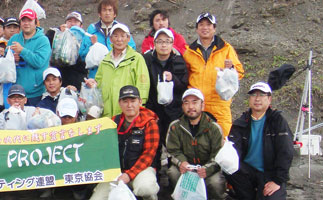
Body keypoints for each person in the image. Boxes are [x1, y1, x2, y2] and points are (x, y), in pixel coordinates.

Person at [226, 82, 293, 200]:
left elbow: (286, 151)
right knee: (230, 168)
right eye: (253, 95)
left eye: (262, 95)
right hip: (247, 172)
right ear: (249, 99)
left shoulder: (277, 121)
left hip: (270, 173)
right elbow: (233, 153)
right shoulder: (240, 123)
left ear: (269, 99)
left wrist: (278, 181)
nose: (257, 99)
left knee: (271, 197)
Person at [91, 85, 159, 200]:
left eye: (133, 101)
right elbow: (102, 148)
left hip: (142, 169)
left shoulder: (150, 123)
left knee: (146, 188)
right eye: (125, 101)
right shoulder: (113, 122)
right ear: (119, 103)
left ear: (140, 102)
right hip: (118, 172)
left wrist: (129, 175)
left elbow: (149, 155)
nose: (129, 105)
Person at [183, 12, 244, 136]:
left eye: (208, 25)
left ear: (214, 28)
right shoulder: (189, 52)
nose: (205, 27)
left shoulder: (226, 49)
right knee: (196, 143)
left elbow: (239, 72)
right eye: (201, 24)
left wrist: (231, 69)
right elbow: (184, 77)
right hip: (196, 106)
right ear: (196, 28)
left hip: (219, 104)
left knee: (223, 142)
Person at [165, 88, 225, 199]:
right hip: (185, 168)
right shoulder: (175, 126)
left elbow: (219, 155)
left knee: (216, 182)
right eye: (186, 103)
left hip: (207, 169)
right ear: (182, 106)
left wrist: (206, 169)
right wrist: (182, 163)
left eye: (195, 102)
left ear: (202, 105)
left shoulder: (214, 128)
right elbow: (172, 151)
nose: (191, 107)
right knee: (173, 172)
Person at [85, 24, 149, 118]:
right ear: (110, 39)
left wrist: (139, 107)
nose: (119, 39)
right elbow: (98, 84)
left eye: (123, 36)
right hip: (107, 114)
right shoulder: (105, 61)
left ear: (128, 38)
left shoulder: (136, 59)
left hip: (128, 113)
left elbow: (143, 85)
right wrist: (93, 84)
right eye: (116, 36)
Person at [143, 28, 189, 159]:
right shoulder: (146, 60)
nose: (163, 45)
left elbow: (183, 85)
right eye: (160, 41)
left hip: (173, 110)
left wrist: (173, 79)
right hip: (153, 109)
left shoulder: (178, 60)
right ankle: (155, 171)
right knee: (153, 143)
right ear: (154, 43)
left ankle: (172, 171)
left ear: (172, 43)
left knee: (173, 143)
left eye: (167, 42)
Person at [5, 9, 51, 106]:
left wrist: (22, 51)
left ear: (35, 22)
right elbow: (6, 58)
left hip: (36, 93)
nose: (26, 23)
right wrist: (11, 57)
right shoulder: (14, 38)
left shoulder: (43, 40)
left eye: (29, 20)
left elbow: (39, 61)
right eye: (23, 20)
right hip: (15, 93)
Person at [80, 0, 137, 78]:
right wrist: (92, 47)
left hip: (118, 75)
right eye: (104, 10)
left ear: (115, 14)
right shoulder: (91, 31)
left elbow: (132, 51)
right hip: (96, 77)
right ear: (99, 14)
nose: (107, 13)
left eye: (110, 10)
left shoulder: (122, 30)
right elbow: (82, 55)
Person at [47, 11, 88, 88]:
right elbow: (47, 41)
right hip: (60, 79)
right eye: (69, 21)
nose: (72, 24)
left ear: (81, 26)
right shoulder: (59, 35)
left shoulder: (86, 39)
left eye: (76, 21)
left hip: (78, 80)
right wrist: (58, 32)